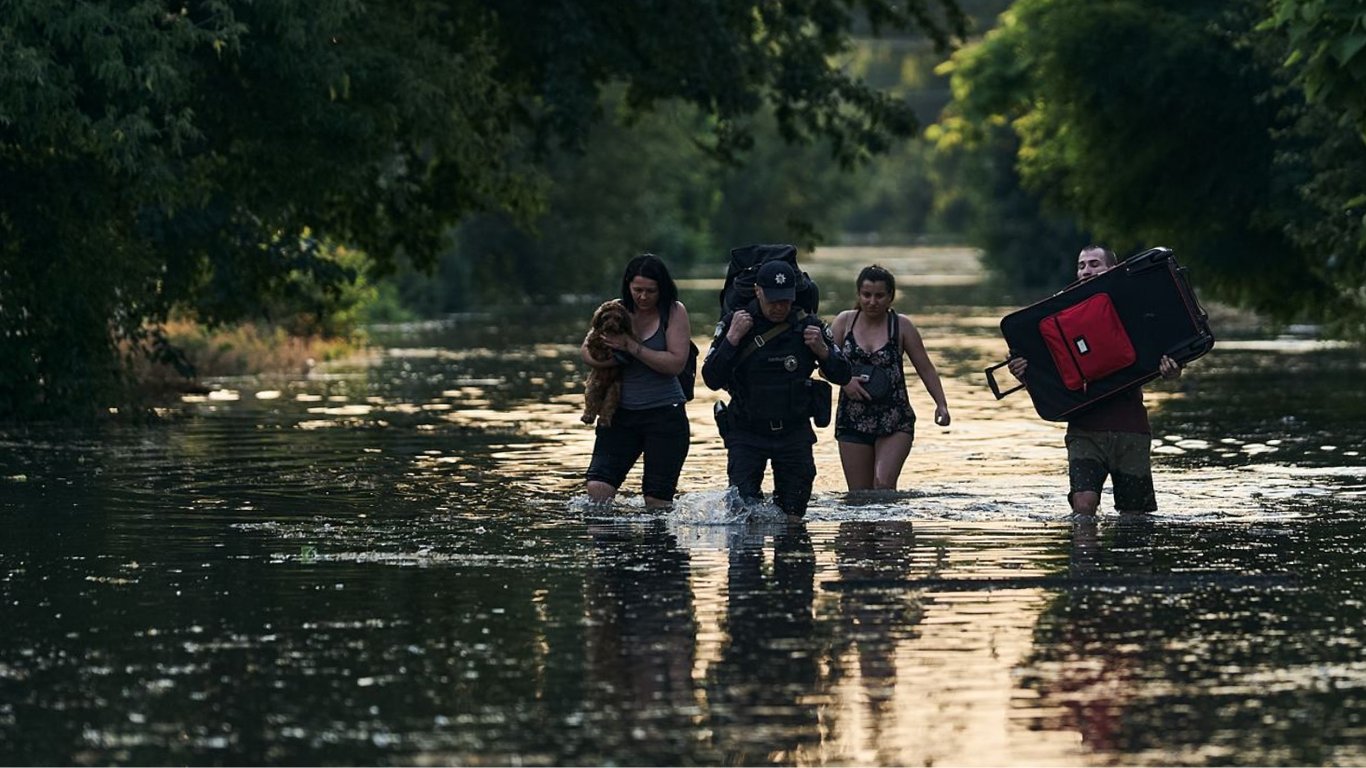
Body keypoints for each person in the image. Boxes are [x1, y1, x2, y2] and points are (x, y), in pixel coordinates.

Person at [1007, 244, 1183, 515]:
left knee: (1135, 516)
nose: (1086, 271)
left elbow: (1163, 355)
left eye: (1094, 264)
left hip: (1131, 428)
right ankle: (1086, 553)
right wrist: (1024, 372)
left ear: (1112, 269)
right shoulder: (1060, 312)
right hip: (1084, 430)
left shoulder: (1135, 305)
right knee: (1084, 506)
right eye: (1081, 265)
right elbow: (1049, 376)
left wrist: (1172, 370)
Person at [701, 260, 852, 518]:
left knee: (794, 518)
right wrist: (732, 339)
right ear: (758, 291)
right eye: (773, 300)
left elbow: (844, 375)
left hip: (794, 434)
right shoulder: (736, 323)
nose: (779, 307)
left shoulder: (809, 325)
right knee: (742, 516)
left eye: (785, 300)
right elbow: (711, 378)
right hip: (746, 433)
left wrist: (823, 352)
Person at [582, 253, 692, 508]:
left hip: (665, 415)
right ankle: (611, 546)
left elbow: (675, 364)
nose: (643, 297)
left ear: (662, 288)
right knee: (597, 490)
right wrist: (613, 360)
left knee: (656, 502)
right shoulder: (615, 309)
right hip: (619, 414)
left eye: (650, 291)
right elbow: (586, 351)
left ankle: (659, 547)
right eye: (637, 290)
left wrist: (631, 347)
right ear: (628, 286)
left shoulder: (674, 311)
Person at [829, 265, 951, 491]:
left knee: (883, 484)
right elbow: (824, 366)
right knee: (859, 497)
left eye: (879, 296)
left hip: (895, 418)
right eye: (866, 295)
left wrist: (941, 404)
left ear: (890, 297)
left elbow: (925, 368)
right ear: (858, 295)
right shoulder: (844, 322)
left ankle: (892, 527)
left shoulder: (902, 326)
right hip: (852, 419)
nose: (872, 301)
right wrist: (845, 381)